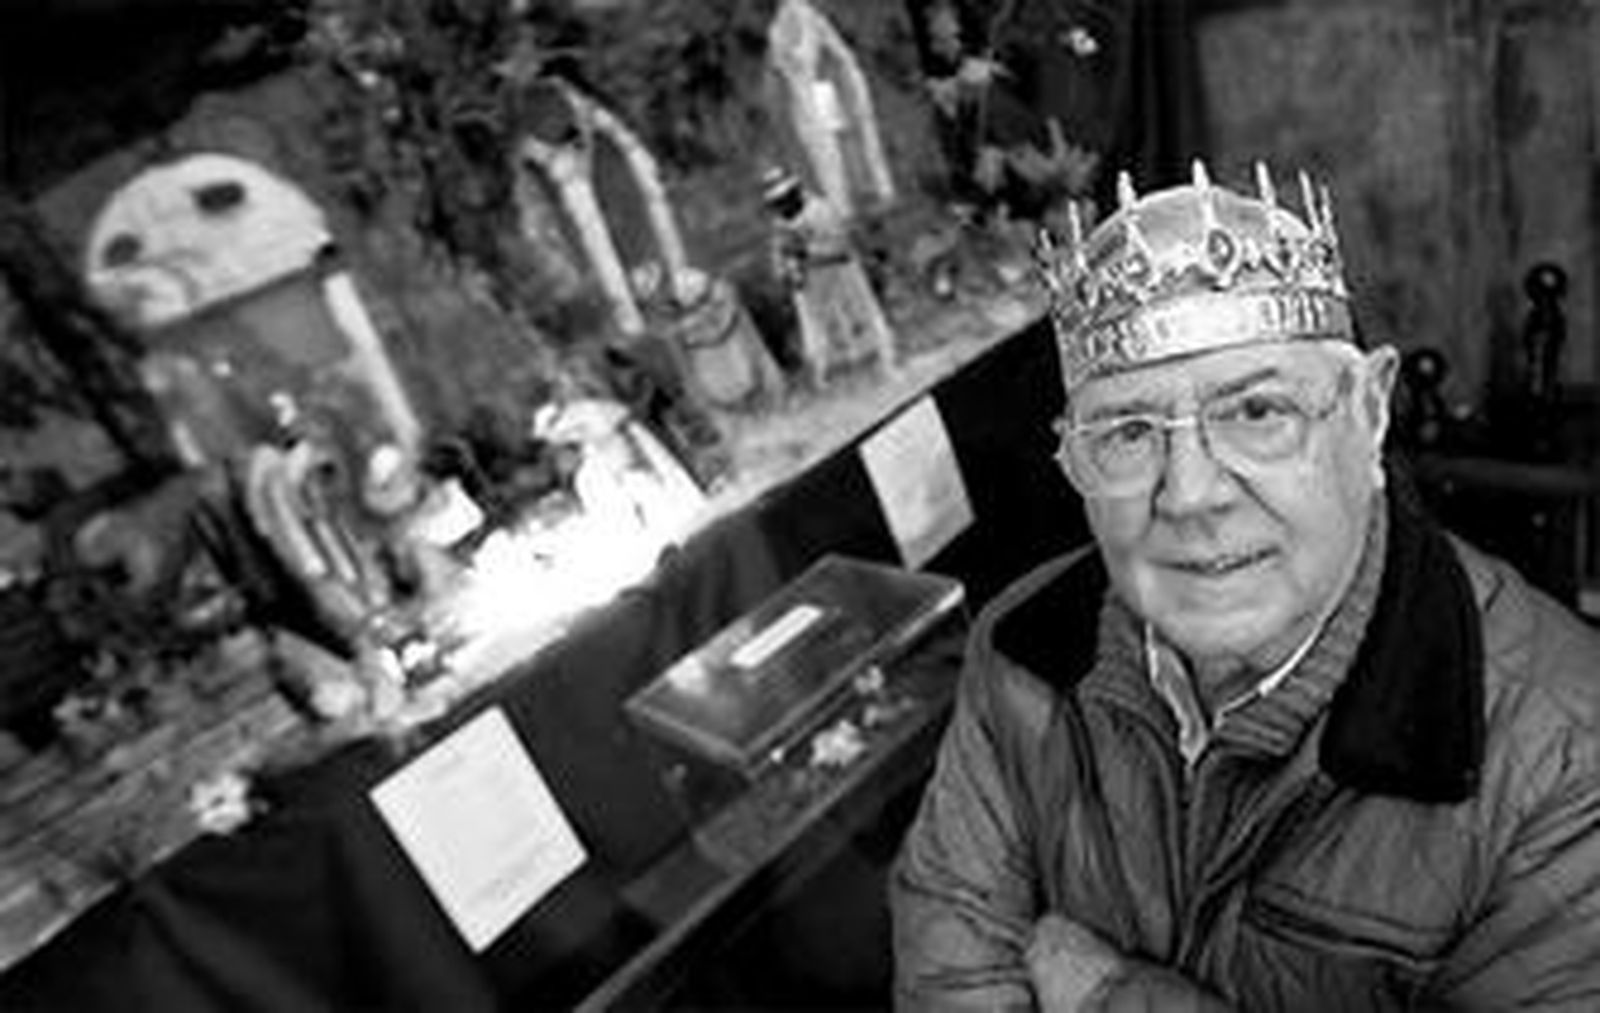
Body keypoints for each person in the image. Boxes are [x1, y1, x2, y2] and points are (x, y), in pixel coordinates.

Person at [890, 162, 1600, 1010]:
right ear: (1071, 457)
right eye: (1126, 431)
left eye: (1257, 412)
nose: (1189, 494)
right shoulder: (1022, 648)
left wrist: (1107, 988)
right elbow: (949, 962)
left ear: (1370, 412)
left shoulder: (1564, 765)